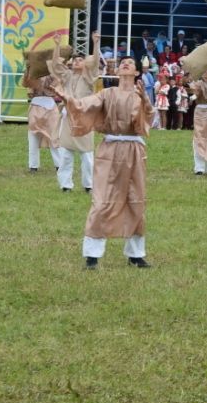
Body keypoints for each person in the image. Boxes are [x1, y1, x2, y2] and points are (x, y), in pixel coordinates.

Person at [56, 56, 155, 270]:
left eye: (131, 62)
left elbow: (148, 121)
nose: (126, 64)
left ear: (137, 72)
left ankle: (135, 254)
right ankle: (92, 256)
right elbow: (85, 104)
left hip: (134, 150)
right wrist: (69, 99)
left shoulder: (140, 95)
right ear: (118, 71)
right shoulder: (107, 93)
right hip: (109, 150)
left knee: (135, 200)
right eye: (122, 63)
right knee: (101, 200)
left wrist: (146, 102)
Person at [47, 31, 100, 193]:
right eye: (75, 60)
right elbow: (56, 65)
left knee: (87, 156)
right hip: (68, 117)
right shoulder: (68, 76)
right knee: (65, 154)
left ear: (85, 64)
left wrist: (96, 44)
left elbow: (96, 62)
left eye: (80, 60)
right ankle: (65, 185)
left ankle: (89, 185)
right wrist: (57, 46)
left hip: (85, 118)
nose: (77, 62)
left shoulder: (89, 77)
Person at [22, 61, 61, 173]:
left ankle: (59, 165)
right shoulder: (33, 75)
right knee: (33, 136)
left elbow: (56, 85)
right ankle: (33, 166)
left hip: (50, 107)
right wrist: (28, 70)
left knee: (54, 136)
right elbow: (26, 83)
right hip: (36, 106)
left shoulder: (53, 75)